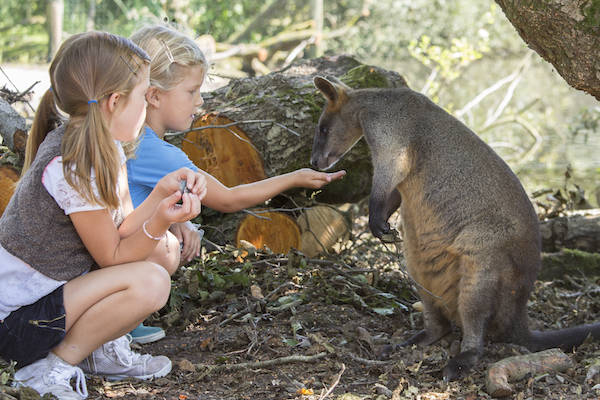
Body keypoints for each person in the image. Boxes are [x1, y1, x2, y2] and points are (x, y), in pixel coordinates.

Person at [0, 31, 207, 400]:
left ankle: (96, 350)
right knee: (151, 281)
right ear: (114, 102)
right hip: (16, 326)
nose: (147, 109)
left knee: (161, 253)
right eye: (143, 98)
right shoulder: (75, 165)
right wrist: (160, 218)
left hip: (49, 301)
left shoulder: (104, 144)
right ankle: (50, 368)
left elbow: (124, 227)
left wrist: (161, 193)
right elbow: (112, 257)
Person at [125, 24, 346, 344]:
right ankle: (121, 322)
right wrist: (293, 178)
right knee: (168, 251)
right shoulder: (155, 151)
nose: (199, 102)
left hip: (114, 248)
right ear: (155, 95)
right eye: (191, 91)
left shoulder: (138, 141)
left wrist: (178, 224)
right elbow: (227, 198)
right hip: (114, 258)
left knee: (174, 237)